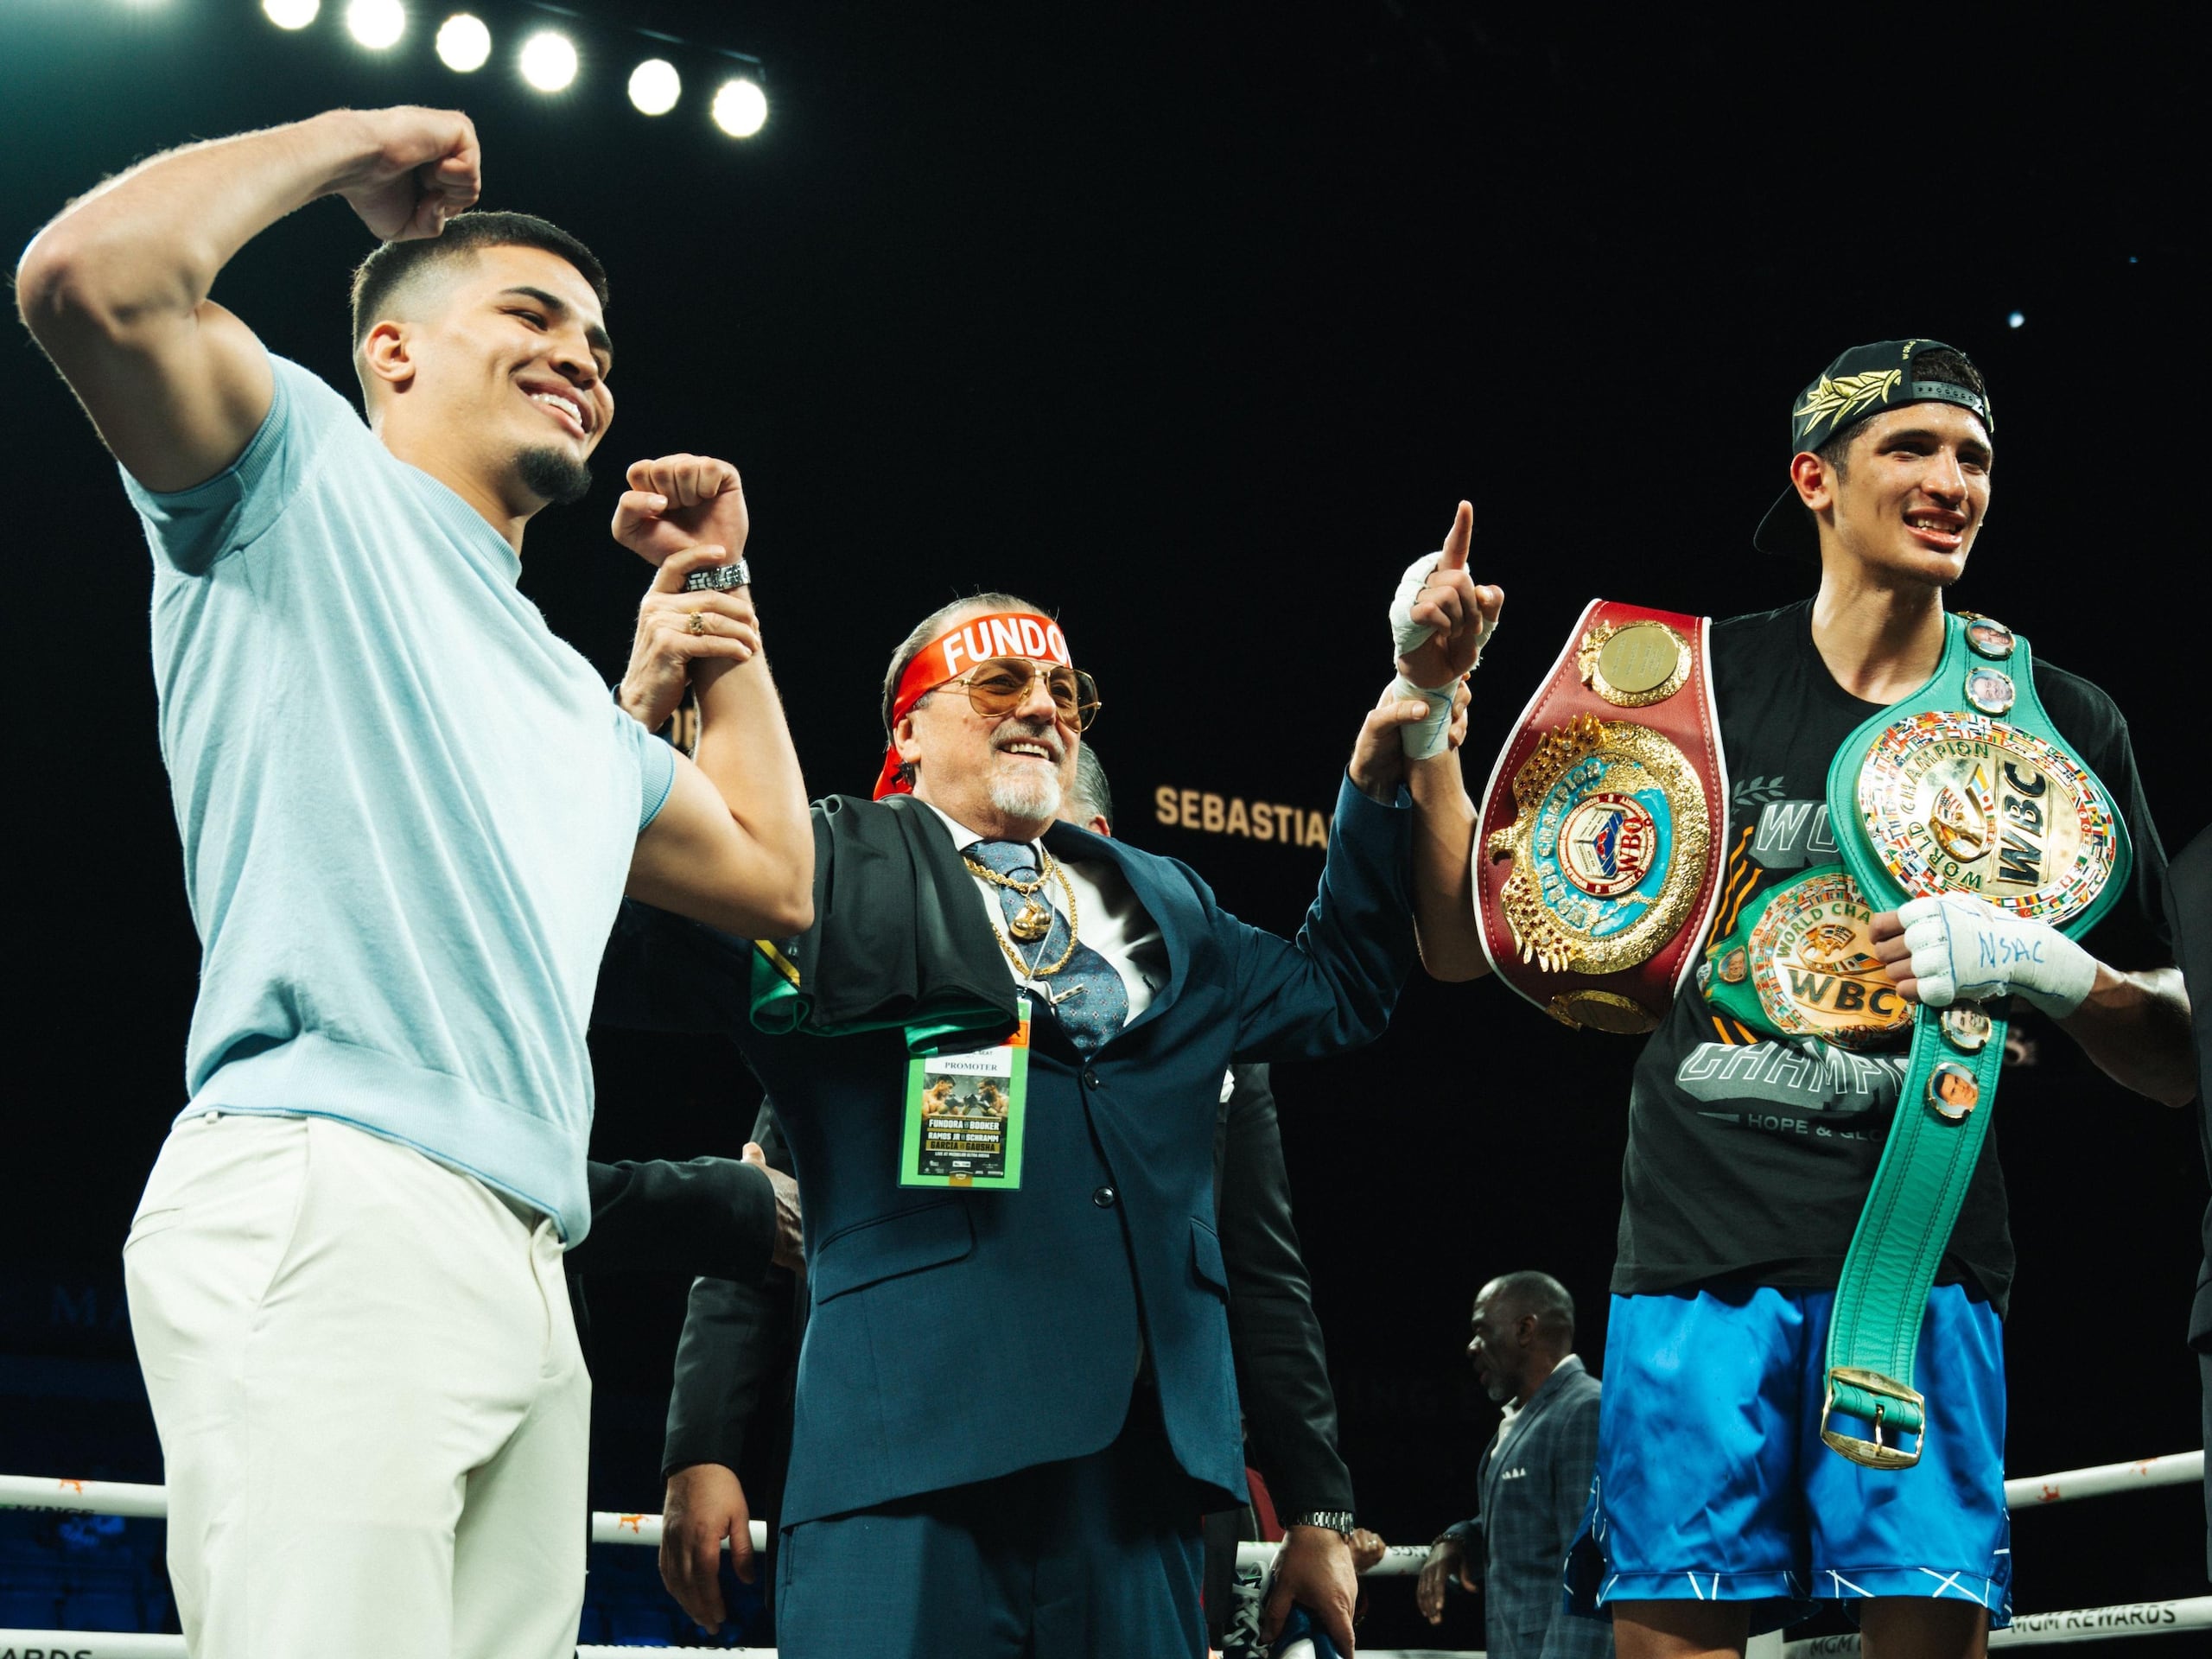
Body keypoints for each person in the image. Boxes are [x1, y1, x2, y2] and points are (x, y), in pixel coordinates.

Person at [15, 107, 814, 1656]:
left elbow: (780, 874)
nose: (583, 358)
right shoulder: (300, 476)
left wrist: (716, 580)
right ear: (391, 352)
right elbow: (89, 279)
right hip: (332, 1195)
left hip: (528, 1264)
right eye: (530, 316)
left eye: (597, 341)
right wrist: (355, 145)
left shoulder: (574, 704)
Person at [1396, 343, 2191, 1658]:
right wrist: (1433, 711)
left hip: (1924, 1264)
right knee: (1667, 1638)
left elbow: (2173, 1059)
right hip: (1700, 1264)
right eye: (1913, 449)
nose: (1952, 482)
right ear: (1814, 478)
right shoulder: (1689, 687)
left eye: (1975, 457)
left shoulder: (2054, 723)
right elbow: (1465, 947)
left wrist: (2058, 971)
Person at [600, 579, 1480, 1656]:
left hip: (1140, 1485)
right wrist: (632, 723)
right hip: (904, 1468)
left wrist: (1408, 722)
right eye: (1000, 681)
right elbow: (621, 939)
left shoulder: (1170, 899)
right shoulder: (821, 866)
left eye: (1064, 690)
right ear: (908, 731)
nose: (1042, 708)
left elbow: (1341, 985)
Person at [1416, 1273, 1610, 1659]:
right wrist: (1457, 1539)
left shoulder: (1584, 1409)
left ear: (1525, 1329)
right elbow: (1526, 1516)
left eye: (1481, 1329)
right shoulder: (1530, 1416)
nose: (1472, 1347)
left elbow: (1588, 1570)